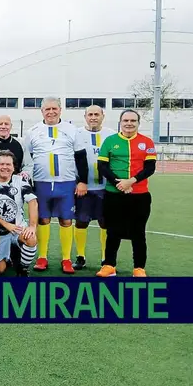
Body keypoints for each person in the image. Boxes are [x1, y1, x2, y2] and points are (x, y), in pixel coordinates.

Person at [24, 97, 88, 274]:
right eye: (47, 109)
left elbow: (81, 157)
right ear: (41, 111)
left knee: (66, 220)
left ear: (60, 110)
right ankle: (42, 257)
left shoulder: (72, 130)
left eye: (54, 108)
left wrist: (82, 180)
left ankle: (66, 259)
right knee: (43, 219)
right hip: (41, 182)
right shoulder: (33, 131)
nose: (51, 112)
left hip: (66, 183)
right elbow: (27, 158)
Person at [96, 110, 157, 278]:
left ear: (138, 123)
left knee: (138, 232)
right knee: (113, 231)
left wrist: (131, 181)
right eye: (125, 120)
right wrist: (119, 183)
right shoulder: (110, 141)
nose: (129, 123)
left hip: (140, 195)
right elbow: (102, 167)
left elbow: (150, 168)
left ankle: (139, 268)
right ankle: (109, 265)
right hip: (114, 194)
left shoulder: (147, 142)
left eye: (133, 120)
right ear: (120, 122)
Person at [0, 151, 39, 276]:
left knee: (31, 238)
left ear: (13, 167)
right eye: (1, 164)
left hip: (17, 227)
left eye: (8, 164)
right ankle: (13, 253)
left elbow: (33, 202)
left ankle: (22, 268)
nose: (5, 167)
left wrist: (32, 226)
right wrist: (5, 224)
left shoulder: (21, 182)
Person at [73, 105, 116, 270]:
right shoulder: (77, 134)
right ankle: (81, 256)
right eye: (90, 114)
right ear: (85, 116)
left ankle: (106, 258)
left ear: (102, 116)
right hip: (83, 187)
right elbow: (72, 160)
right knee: (81, 221)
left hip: (106, 188)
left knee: (105, 222)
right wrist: (78, 181)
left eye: (96, 114)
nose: (93, 117)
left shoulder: (111, 134)